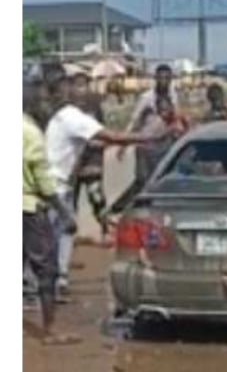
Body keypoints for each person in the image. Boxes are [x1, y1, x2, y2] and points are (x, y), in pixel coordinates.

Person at [44, 73, 159, 298]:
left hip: (62, 183)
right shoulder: (71, 117)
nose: (79, 91)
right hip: (56, 185)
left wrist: (115, 143)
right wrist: (145, 138)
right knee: (52, 235)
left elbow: (97, 140)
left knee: (65, 230)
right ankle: (43, 283)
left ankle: (59, 278)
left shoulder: (64, 116)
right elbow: (112, 135)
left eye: (81, 86)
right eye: (73, 87)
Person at [24, 82, 79, 345]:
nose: (47, 107)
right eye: (42, 101)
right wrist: (63, 211)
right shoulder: (31, 133)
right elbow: (43, 180)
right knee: (46, 269)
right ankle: (50, 330)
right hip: (29, 210)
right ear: (30, 103)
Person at [70, 73, 109, 240]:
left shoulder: (94, 105)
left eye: (83, 85)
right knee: (71, 199)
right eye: (77, 85)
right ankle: (69, 235)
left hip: (92, 159)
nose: (81, 89)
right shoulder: (67, 108)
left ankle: (105, 230)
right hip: (72, 161)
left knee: (97, 196)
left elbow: (102, 130)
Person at [119, 64, 177, 161]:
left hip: (165, 143)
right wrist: (124, 142)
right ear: (156, 79)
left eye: (167, 78)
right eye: (161, 78)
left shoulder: (173, 96)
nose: (164, 81)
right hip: (147, 145)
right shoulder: (147, 97)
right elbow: (134, 120)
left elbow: (175, 116)